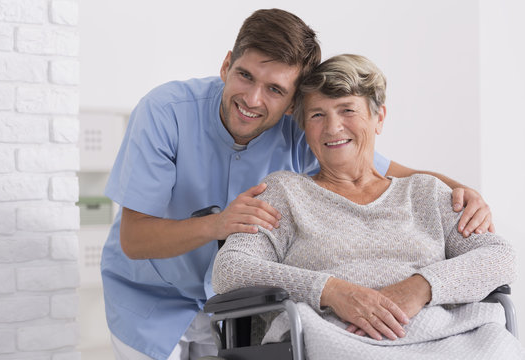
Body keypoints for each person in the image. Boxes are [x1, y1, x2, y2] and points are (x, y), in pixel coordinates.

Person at [102, 9, 494, 360]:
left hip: (236, 312)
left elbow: (376, 168)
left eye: (275, 89)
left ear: (293, 103)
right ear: (226, 65)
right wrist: (218, 225)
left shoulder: (305, 128)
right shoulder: (165, 112)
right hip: (151, 300)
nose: (253, 99)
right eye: (245, 75)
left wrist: (464, 193)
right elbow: (134, 240)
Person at [212, 54, 522, 359]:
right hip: (336, 336)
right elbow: (230, 268)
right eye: (318, 115)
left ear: (379, 118)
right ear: (304, 127)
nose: (333, 128)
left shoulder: (427, 192)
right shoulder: (284, 193)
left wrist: (421, 287)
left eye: (347, 110)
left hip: (449, 334)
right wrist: (330, 291)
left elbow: (500, 256)